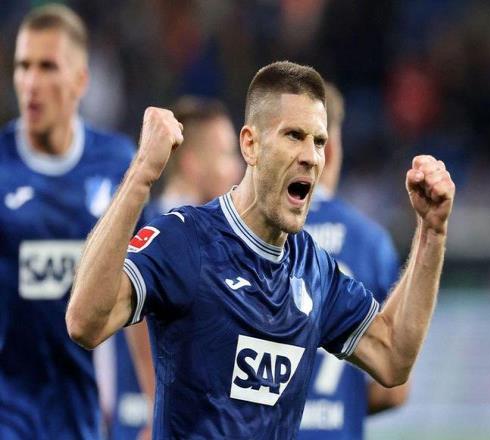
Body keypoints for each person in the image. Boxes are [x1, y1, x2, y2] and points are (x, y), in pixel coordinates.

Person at [66, 61, 455, 439]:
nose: (311, 156)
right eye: (294, 136)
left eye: (319, 141)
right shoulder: (187, 240)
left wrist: (432, 231)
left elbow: (392, 357)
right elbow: (85, 322)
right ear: (250, 145)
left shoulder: (314, 270)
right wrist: (141, 174)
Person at [0, 4, 137, 439]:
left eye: (47, 67)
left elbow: (143, 280)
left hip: (85, 412)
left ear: (80, 80)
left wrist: (156, 402)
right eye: (23, 66)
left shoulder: (117, 163)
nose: (31, 82)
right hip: (9, 408)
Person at [112, 95, 242, 440]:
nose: (237, 169)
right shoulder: (158, 229)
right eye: (227, 154)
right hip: (149, 423)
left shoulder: (211, 234)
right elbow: (133, 320)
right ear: (192, 164)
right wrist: (154, 406)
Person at [298, 84, 408, 439]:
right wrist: (341, 405)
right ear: (331, 147)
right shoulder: (370, 243)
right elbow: (393, 391)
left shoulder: (253, 236)